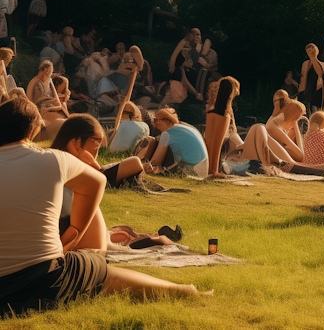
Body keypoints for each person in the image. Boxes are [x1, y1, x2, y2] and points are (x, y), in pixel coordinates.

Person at [0, 97, 203, 314]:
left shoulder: (53, 159)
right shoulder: (55, 159)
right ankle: (183, 290)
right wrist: (75, 232)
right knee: (98, 270)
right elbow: (98, 181)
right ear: (32, 130)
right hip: (44, 279)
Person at [142, 108, 209, 177]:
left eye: (156, 120)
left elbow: (155, 163)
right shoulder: (184, 128)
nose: (154, 124)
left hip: (192, 171)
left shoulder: (167, 134)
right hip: (202, 169)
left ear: (166, 120)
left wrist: (142, 165)